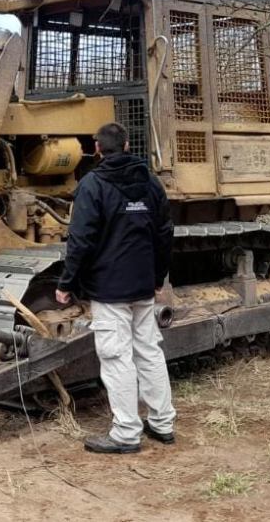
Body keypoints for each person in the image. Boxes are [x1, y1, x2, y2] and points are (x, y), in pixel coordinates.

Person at [55, 122, 176, 453]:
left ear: (97, 148)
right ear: (125, 146)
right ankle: (162, 423)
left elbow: (80, 240)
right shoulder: (151, 182)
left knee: (116, 356)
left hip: (110, 288)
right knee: (149, 349)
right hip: (142, 284)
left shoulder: (92, 184)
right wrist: (157, 278)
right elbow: (164, 232)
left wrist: (67, 283)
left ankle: (125, 433)